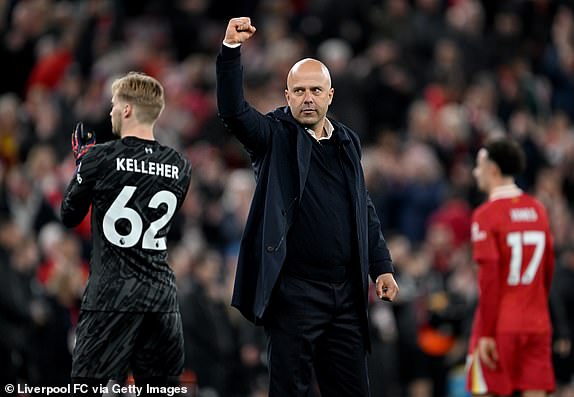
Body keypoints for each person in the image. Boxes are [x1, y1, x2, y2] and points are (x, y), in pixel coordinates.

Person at [216, 17, 399, 397]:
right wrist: (231, 52)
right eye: (299, 91)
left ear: (330, 95)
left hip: (346, 294)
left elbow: (361, 206)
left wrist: (381, 267)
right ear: (287, 97)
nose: (308, 98)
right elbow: (234, 112)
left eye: (316, 90)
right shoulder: (273, 136)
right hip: (295, 294)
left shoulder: (348, 141)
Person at [60, 72, 192, 396]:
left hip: (111, 295)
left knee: (85, 389)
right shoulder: (181, 165)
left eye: (114, 104)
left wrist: (82, 167)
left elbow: (68, 215)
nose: (110, 112)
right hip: (161, 298)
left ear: (128, 109)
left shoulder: (99, 157)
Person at [466, 138, 555, 397]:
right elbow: (547, 271)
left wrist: (485, 333)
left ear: (492, 169)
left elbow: (489, 279)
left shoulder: (486, 215)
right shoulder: (538, 210)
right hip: (537, 322)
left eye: (478, 166)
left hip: (499, 325)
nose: (475, 172)